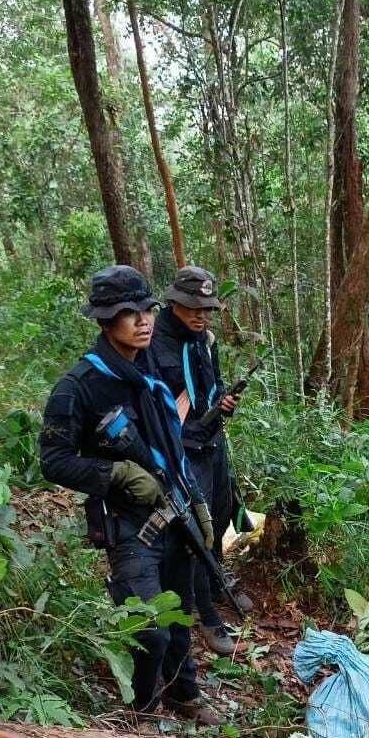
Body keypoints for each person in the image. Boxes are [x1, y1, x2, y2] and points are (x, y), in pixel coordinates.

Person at [39, 265, 225, 725]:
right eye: (128, 313)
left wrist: (197, 502)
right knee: (151, 628)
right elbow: (54, 460)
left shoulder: (152, 371)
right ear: (105, 321)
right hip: (128, 525)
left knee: (180, 617)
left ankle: (184, 694)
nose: (142, 321)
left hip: (174, 512)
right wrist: (116, 472)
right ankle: (142, 711)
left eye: (146, 309)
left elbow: (173, 448)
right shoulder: (80, 386)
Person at [149, 266, 253, 657]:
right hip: (181, 450)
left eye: (206, 309)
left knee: (222, 514)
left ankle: (214, 583)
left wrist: (224, 402)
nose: (200, 315)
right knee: (197, 530)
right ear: (173, 302)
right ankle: (207, 616)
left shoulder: (204, 341)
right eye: (193, 307)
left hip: (212, 442)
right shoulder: (153, 343)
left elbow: (215, 383)